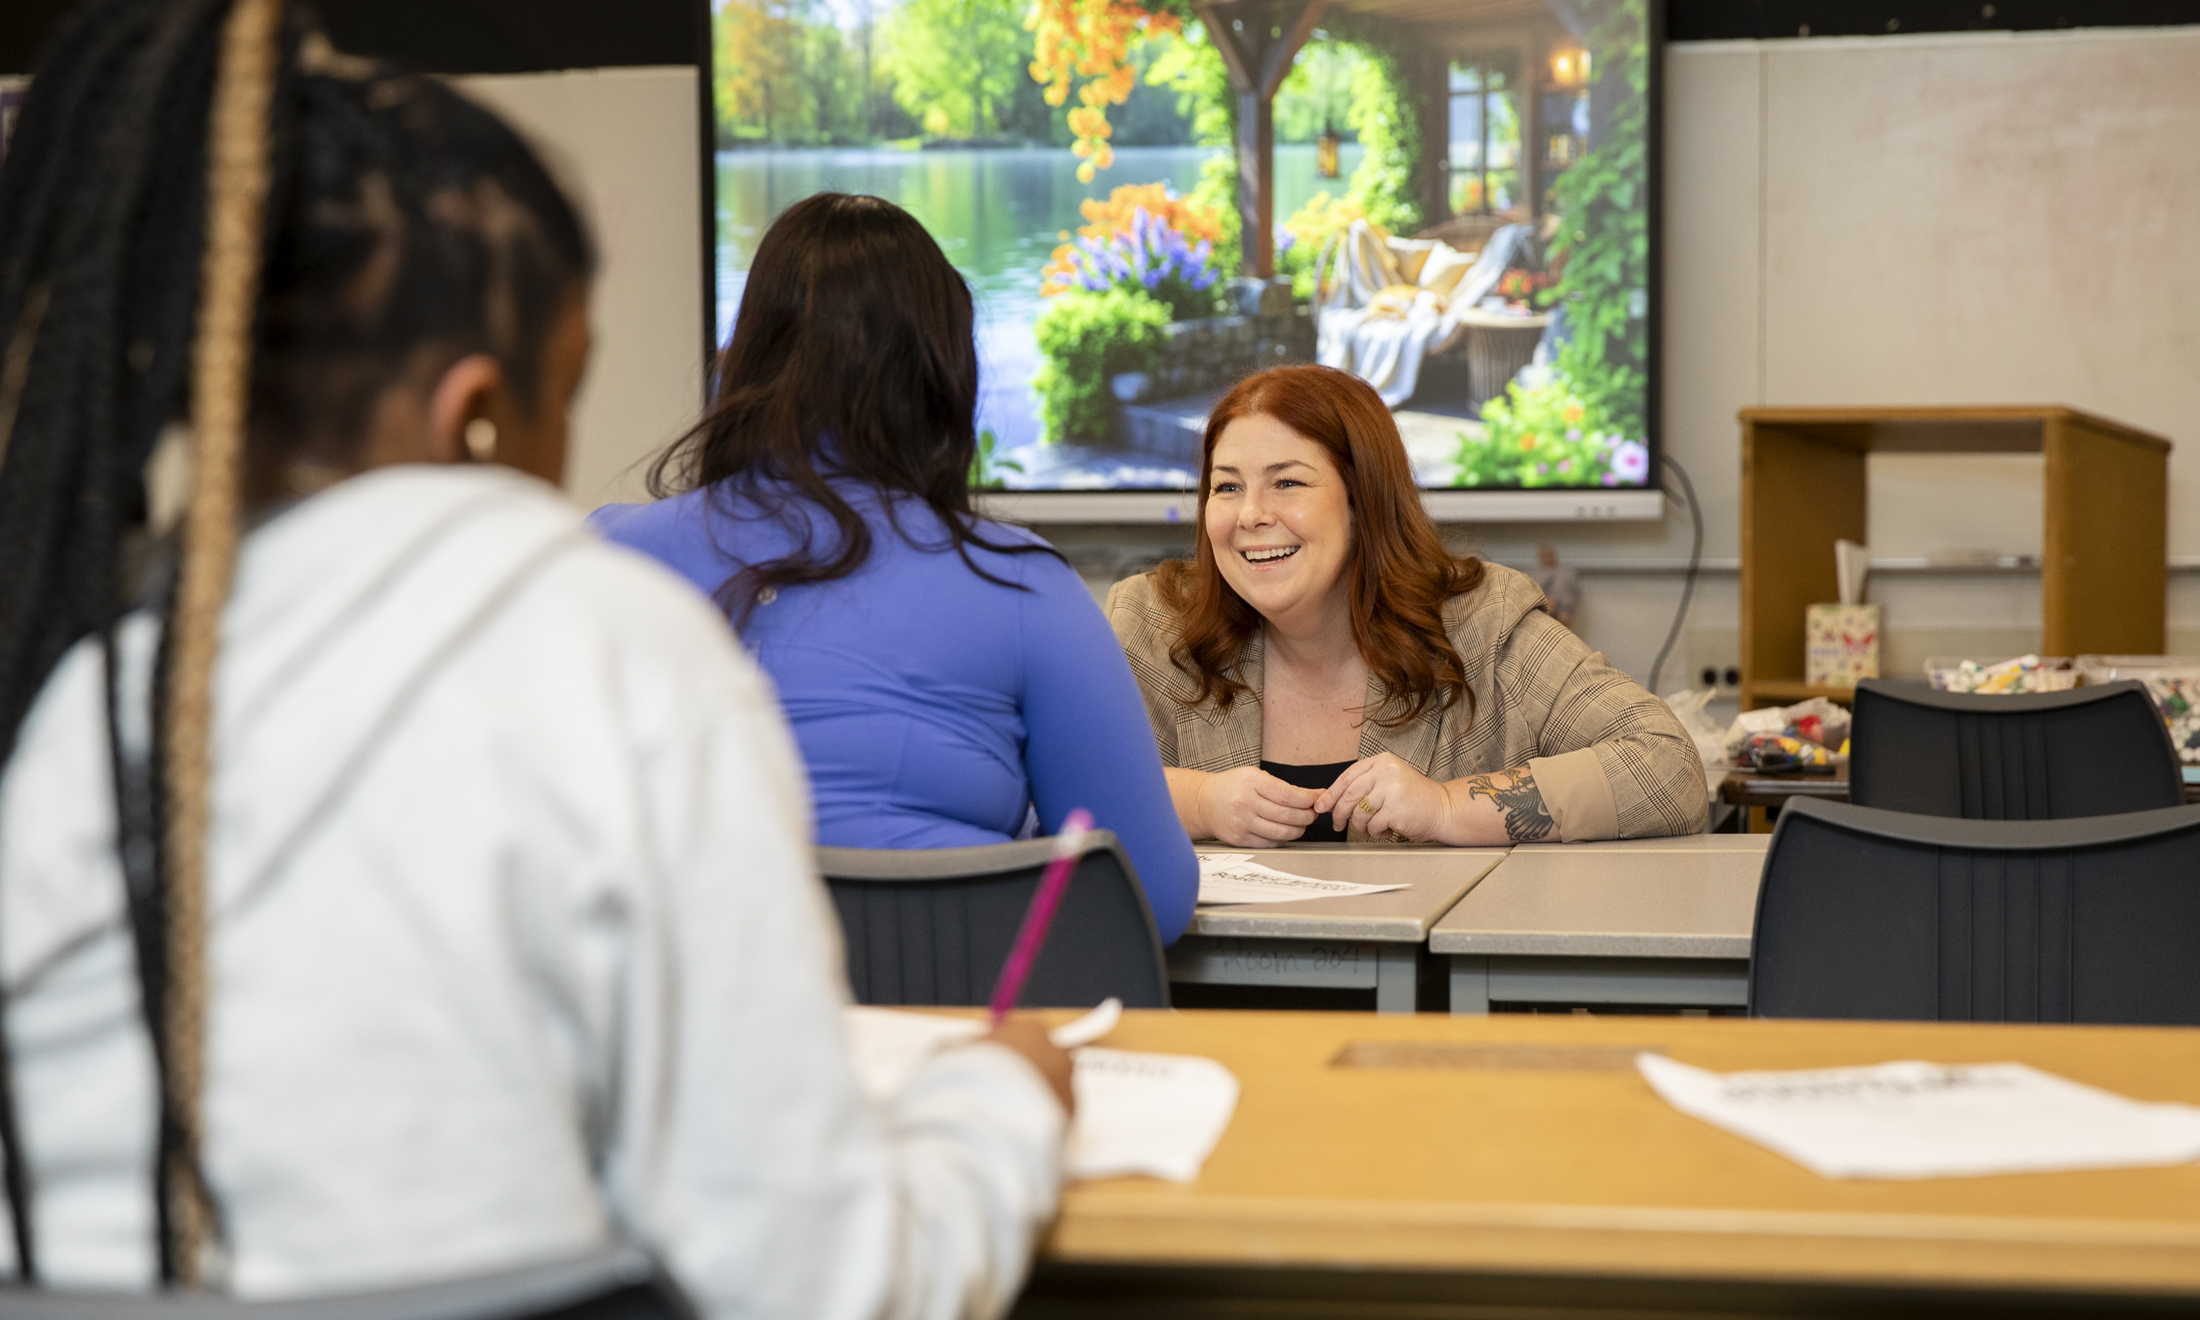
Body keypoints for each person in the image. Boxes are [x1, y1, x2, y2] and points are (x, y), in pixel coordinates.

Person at [0, 5, 1068, 1314]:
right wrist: (1000, 1107)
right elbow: (829, 1282)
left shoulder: (77, 705)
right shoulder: (613, 660)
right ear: (480, 414)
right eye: (569, 388)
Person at [594, 193, 1197, 944]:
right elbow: (1153, 899)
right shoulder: (1019, 584)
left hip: (683, 1045)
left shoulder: (605, 562)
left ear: (742, 361)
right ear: (944, 382)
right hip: (955, 1033)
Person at [1106, 364, 1707, 848]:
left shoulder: (1482, 622)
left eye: (1287, 483)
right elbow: (1044, 799)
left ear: (1362, 502)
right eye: (1227, 486)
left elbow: (1666, 770)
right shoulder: (1152, 624)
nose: (1250, 515)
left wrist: (1446, 808)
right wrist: (1200, 804)